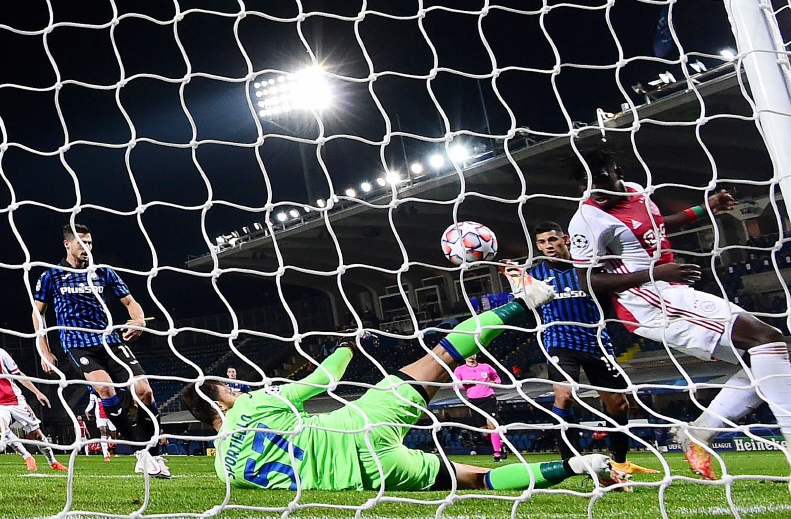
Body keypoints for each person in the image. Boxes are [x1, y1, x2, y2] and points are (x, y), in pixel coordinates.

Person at [181, 273, 631, 492]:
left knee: (478, 482)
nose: (238, 391)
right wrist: (345, 345)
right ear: (219, 406)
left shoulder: (226, 472)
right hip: (360, 422)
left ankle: (579, 467)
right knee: (442, 356)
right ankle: (525, 303)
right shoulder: (252, 407)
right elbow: (324, 378)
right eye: (229, 390)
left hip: (369, 476)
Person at [568, 149, 791, 480]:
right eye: (586, 181)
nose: (594, 187)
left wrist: (705, 209)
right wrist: (655, 274)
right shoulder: (586, 220)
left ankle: (699, 433)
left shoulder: (634, 191)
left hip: (670, 291)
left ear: (617, 172)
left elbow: (657, 225)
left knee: (771, 355)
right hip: (647, 301)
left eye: (601, 178)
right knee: (766, 338)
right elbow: (587, 281)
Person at [519, 221, 658, 476]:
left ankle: (619, 462)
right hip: (559, 341)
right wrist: (516, 283)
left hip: (596, 342)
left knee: (618, 404)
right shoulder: (533, 275)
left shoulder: (588, 268)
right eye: (542, 242)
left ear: (566, 240)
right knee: (563, 394)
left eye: (552, 240)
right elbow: (525, 308)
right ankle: (570, 463)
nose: (548, 246)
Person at [33, 223, 169, 478]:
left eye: (90, 243)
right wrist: (44, 349)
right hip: (77, 344)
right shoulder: (51, 276)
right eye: (82, 243)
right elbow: (37, 313)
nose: (87, 248)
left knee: (144, 391)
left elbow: (131, 303)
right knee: (105, 389)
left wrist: (138, 320)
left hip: (110, 341)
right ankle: (142, 452)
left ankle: (154, 452)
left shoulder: (103, 272)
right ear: (67, 244)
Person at [0, 325, 67, 472]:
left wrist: (37, 392)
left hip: (15, 399)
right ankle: (27, 456)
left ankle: (53, 462)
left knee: (37, 435)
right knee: (1, 427)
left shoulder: (0, 353)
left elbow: (18, 374)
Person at [453, 355, 507, 461]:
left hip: (489, 400)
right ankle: (500, 444)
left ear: (476, 355)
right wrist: (465, 383)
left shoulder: (486, 367)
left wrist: (494, 382)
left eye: (473, 354)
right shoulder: (459, 370)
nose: (471, 357)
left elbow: (497, 379)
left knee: (492, 425)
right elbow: (455, 386)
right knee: (485, 433)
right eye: (468, 355)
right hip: (474, 402)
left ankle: (497, 453)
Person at [84, 388, 117, 461]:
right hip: (100, 415)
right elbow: (91, 403)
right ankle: (105, 455)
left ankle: (111, 444)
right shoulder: (93, 393)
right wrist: (86, 410)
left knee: (113, 434)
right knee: (102, 431)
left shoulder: (109, 389)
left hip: (110, 414)